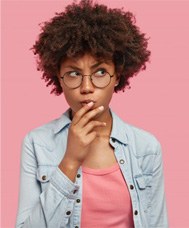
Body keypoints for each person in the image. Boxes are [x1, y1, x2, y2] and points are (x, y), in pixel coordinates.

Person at [15, 0, 168, 227]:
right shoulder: (37, 143)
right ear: (59, 77)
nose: (87, 87)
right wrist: (69, 161)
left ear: (117, 75)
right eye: (74, 73)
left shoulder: (146, 148)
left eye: (100, 71)